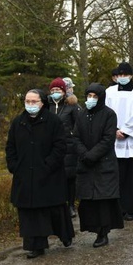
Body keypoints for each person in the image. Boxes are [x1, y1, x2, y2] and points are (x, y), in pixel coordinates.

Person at [5, 89, 73, 258]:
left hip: (48, 175)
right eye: (27, 101)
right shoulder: (18, 122)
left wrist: (48, 165)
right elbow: (10, 147)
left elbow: (60, 147)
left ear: (42, 103)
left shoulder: (53, 121)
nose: (30, 105)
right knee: (30, 213)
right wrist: (14, 166)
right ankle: (36, 245)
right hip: (25, 176)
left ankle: (65, 235)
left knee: (54, 209)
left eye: (34, 101)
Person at [73, 83, 124, 248]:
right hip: (86, 164)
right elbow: (76, 137)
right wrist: (84, 154)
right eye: (89, 96)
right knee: (89, 200)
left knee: (103, 200)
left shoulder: (109, 114)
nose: (91, 99)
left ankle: (103, 232)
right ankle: (93, 228)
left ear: (101, 98)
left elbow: (108, 139)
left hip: (104, 163)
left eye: (95, 96)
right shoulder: (81, 115)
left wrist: (92, 155)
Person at [105, 62, 133, 221]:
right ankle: (119, 208)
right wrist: (114, 129)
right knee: (119, 176)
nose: (122, 78)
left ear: (131, 75)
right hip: (115, 138)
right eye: (120, 75)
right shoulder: (109, 92)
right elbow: (107, 112)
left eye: (125, 75)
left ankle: (132, 207)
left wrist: (127, 130)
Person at [48, 77, 80, 218]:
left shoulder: (71, 106)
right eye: (53, 90)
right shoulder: (46, 105)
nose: (55, 92)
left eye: (58, 90)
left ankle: (71, 205)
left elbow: (78, 125)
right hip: (51, 147)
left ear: (63, 91)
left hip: (69, 146)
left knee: (69, 178)